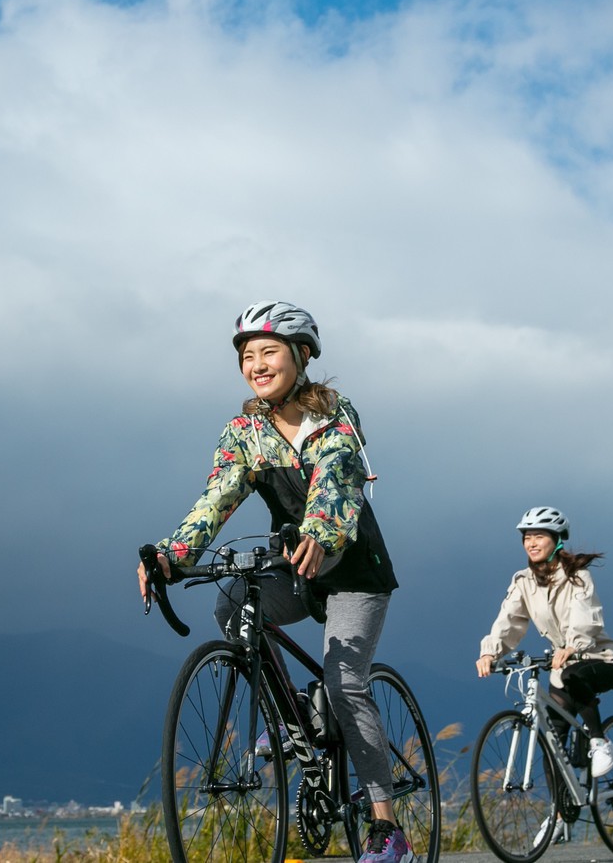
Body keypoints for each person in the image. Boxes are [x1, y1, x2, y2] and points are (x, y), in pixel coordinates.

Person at [136, 301, 409, 863]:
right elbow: (215, 501)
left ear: (302, 355)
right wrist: (170, 556)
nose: (256, 364)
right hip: (296, 568)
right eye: (247, 356)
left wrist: (321, 530)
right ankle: (290, 722)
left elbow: (336, 480)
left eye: (268, 352)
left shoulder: (337, 416)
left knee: (344, 683)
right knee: (232, 601)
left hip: (353, 571)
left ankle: (388, 829)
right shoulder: (243, 434)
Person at [474, 506, 613, 778]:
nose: (531, 543)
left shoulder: (578, 576)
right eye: (526, 537)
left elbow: (585, 617)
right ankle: (558, 816)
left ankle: (600, 742)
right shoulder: (523, 581)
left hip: (598, 658)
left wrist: (573, 646)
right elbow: (509, 619)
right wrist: (490, 653)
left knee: (571, 675)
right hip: (562, 664)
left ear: (557, 540)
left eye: (539, 536)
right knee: (553, 741)